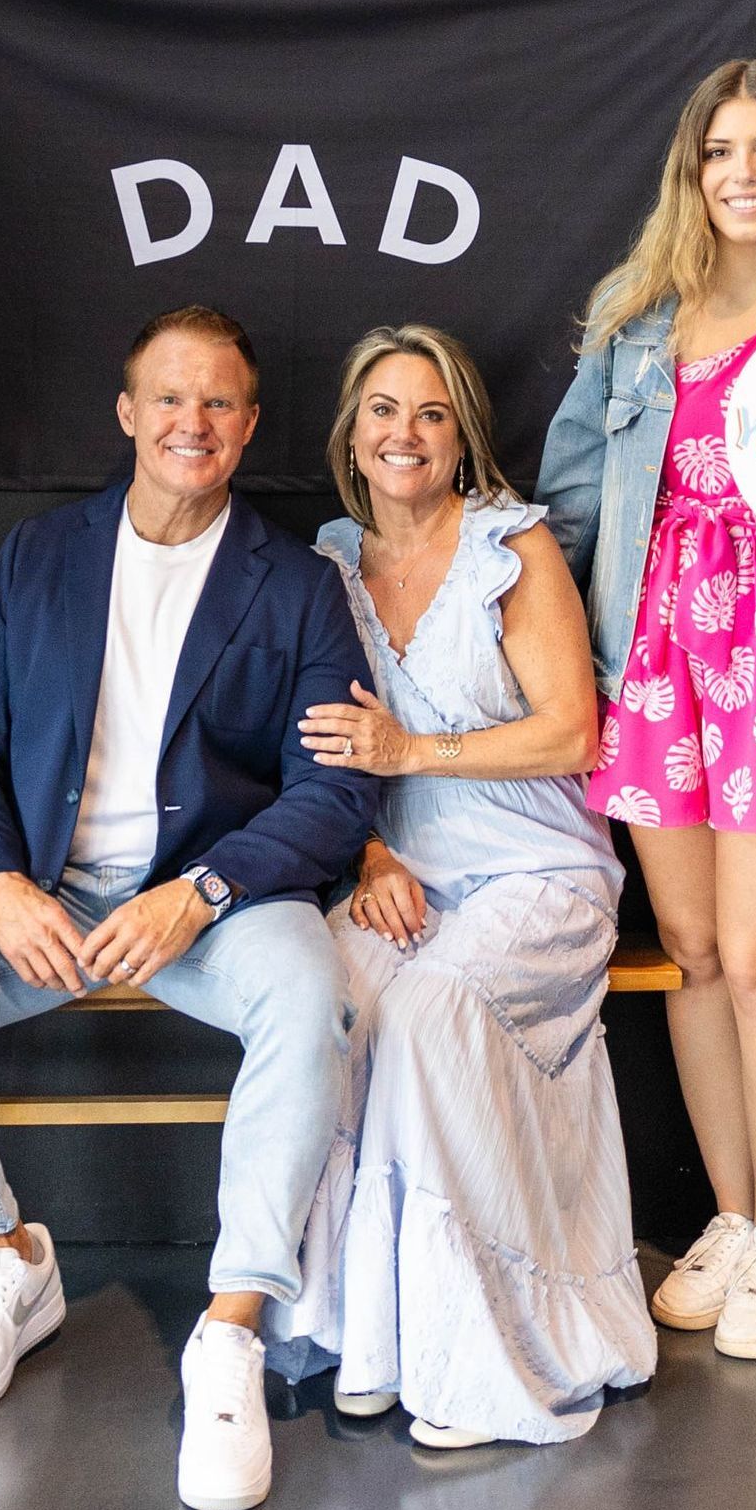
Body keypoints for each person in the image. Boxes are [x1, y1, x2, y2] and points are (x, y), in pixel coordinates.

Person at [0, 306, 375, 1510]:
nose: (194, 423)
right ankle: (1, 1260)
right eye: (170, 399)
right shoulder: (39, 556)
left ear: (248, 425)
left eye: (220, 402)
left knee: (307, 989)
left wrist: (204, 891)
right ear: (127, 413)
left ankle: (232, 1328)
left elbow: (335, 790)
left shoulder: (296, 585)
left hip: (209, 903)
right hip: (33, 892)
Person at [264, 325, 656, 1448]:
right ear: (351, 433)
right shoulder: (327, 563)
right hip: (402, 871)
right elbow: (328, 749)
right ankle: (373, 1338)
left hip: (541, 868)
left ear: (461, 436)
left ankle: (482, 1355)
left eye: (430, 414)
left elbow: (573, 732)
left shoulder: (510, 548)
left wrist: (411, 759)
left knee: (433, 1009)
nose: (406, 434)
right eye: (383, 410)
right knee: (331, 992)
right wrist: (372, 853)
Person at [539, 60, 756, 1361]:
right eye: (722, 150)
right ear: (691, 170)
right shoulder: (638, 322)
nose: (746, 172)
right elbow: (571, 500)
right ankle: (732, 1217)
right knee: (694, 947)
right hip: (656, 662)